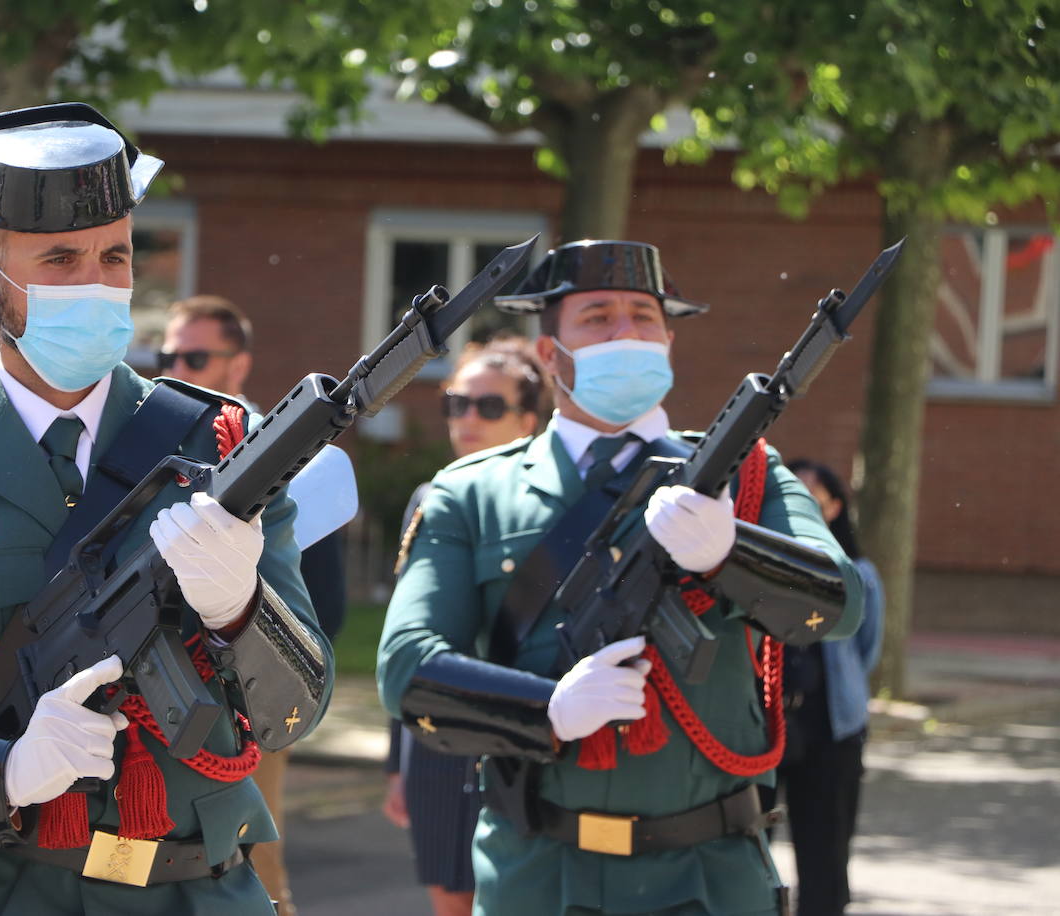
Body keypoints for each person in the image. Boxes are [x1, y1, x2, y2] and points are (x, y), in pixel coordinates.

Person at [0, 103, 333, 916]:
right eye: (61, 259)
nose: (98, 284)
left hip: (196, 894)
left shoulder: (223, 445)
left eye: (116, 256)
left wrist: (241, 611)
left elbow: (299, 709)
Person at [377, 239, 867, 916]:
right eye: (598, 316)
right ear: (550, 354)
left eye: (642, 316)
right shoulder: (472, 494)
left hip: (709, 877)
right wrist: (544, 711)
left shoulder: (747, 474)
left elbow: (841, 604)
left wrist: (732, 552)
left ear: (668, 340)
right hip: (537, 876)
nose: (625, 333)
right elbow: (408, 668)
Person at [158, 294, 349, 916]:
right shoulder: (149, 439)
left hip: (248, 689)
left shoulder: (287, 448)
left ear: (238, 367)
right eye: (167, 354)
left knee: (252, 856)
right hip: (155, 690)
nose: (176, 365)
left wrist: (250, 638)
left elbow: (324, 600)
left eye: (195, 355)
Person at [383, 338, 548, 916]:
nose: (469, 418)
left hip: (518, 729)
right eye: (458, 403)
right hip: (436, 737)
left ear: (529, 420)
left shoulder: (553, 507)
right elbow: (405, 641)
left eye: (489, 406)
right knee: (449, 902)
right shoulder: (431, 499)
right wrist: (395, 763)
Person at [762, 460, 884, 916]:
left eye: (819, 501)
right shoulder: (753, 568)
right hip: (763, 729)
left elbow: (865, 650)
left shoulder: (859, 575)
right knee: (751, 851)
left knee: (825, 856)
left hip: (831, 730)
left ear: (834, 510)